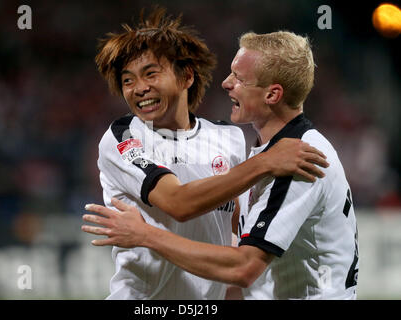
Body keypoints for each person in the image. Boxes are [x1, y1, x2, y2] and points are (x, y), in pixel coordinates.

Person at [83, 30, 358, 300]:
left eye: (151, 74)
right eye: (127, 80)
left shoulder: (277, 153)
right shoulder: (125, 137)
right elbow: (180, 204)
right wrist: (263, 162)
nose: (138, 88)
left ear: (186, 76)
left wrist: (144, 235)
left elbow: (241, 259)